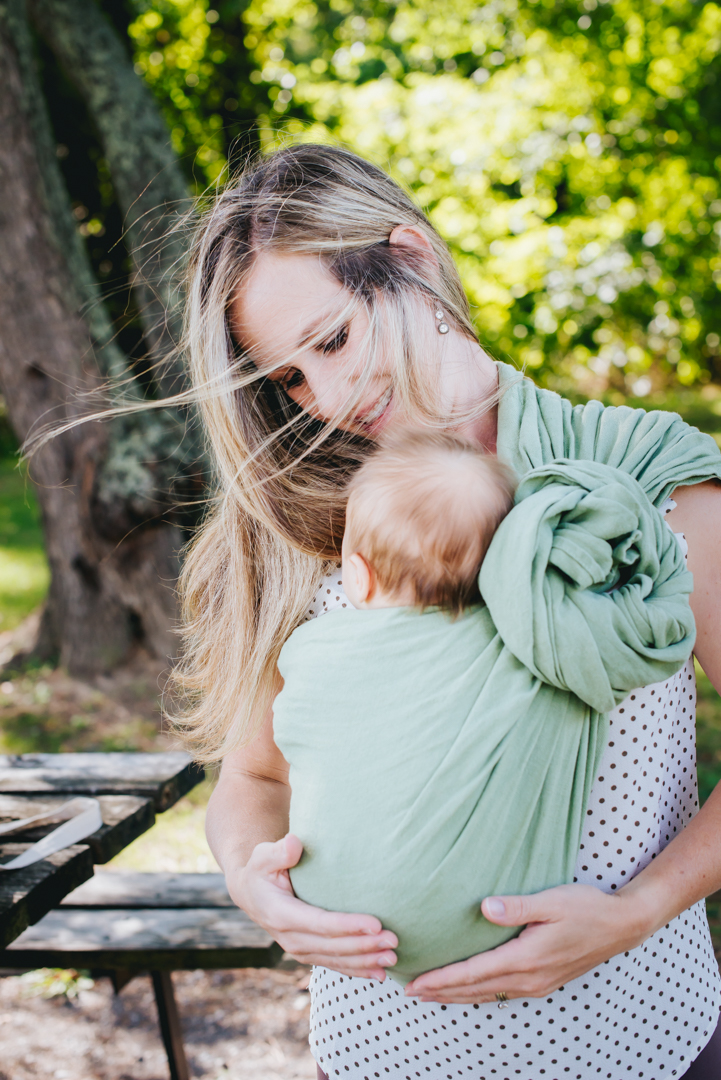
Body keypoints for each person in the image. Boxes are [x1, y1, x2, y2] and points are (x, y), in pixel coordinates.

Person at [174, 143, 721, 1079]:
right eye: (289, 380)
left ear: (413, 259)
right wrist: (249, 878)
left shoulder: (645, 477)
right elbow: (254, 779)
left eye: (334, 339)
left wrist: (635, 913)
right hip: (378, 1053)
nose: (327, 400)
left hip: (637, 1040)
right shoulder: (304, 522)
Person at [273, 431, 696, 986]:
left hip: (331, 915)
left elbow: (289, 740)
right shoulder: (539, 644)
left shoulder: (314, 650)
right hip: (493, 923)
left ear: (358, 574)